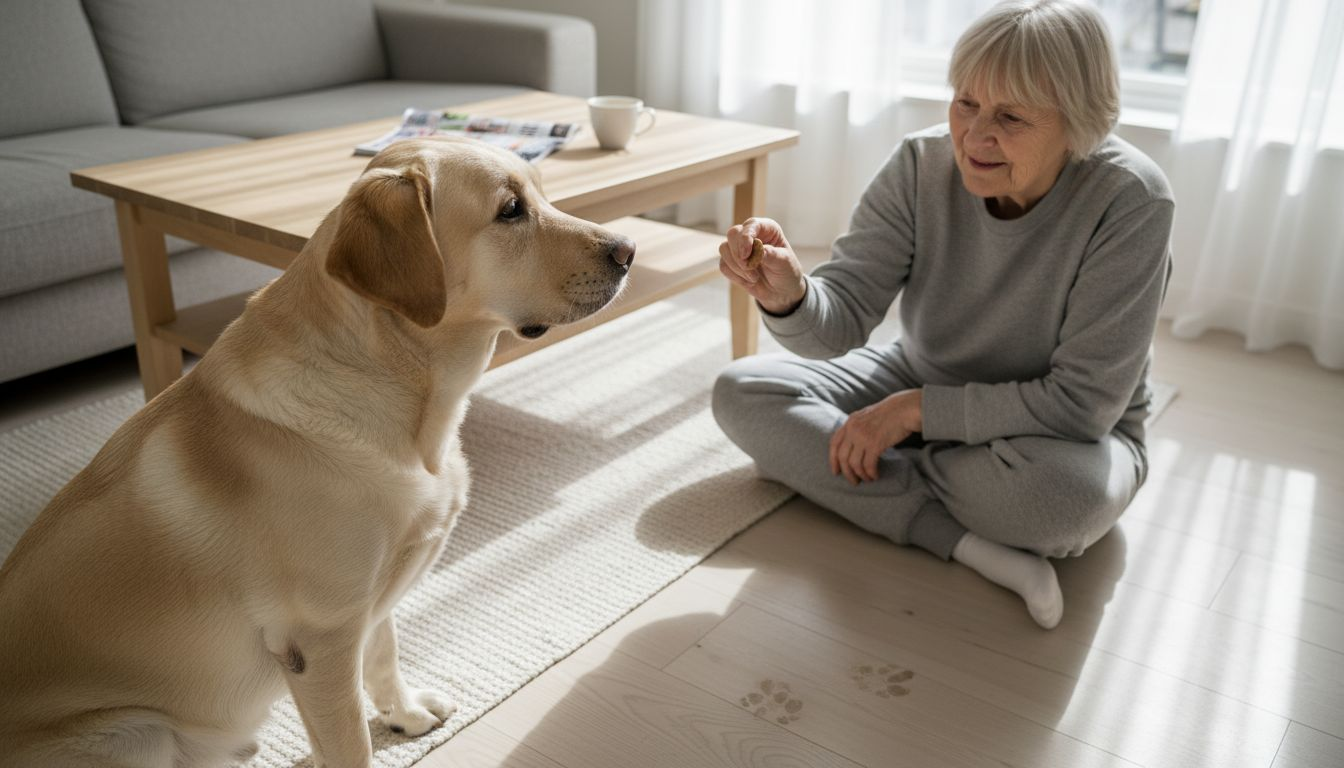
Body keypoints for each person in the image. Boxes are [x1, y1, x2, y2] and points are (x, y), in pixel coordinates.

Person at [712, 0, 1173, 629]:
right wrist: (789, 292)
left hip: (1064, 434)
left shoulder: (1132, 202)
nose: (975, 137)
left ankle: (840, 472)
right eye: (965, 103)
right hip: (920, 370)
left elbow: (1082, 405)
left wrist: (909, 415)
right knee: (743, 391)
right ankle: (963, 539)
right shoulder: (920, 163)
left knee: (1065, 504)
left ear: (1078, 122)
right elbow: (841, 319)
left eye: (1010, 117)